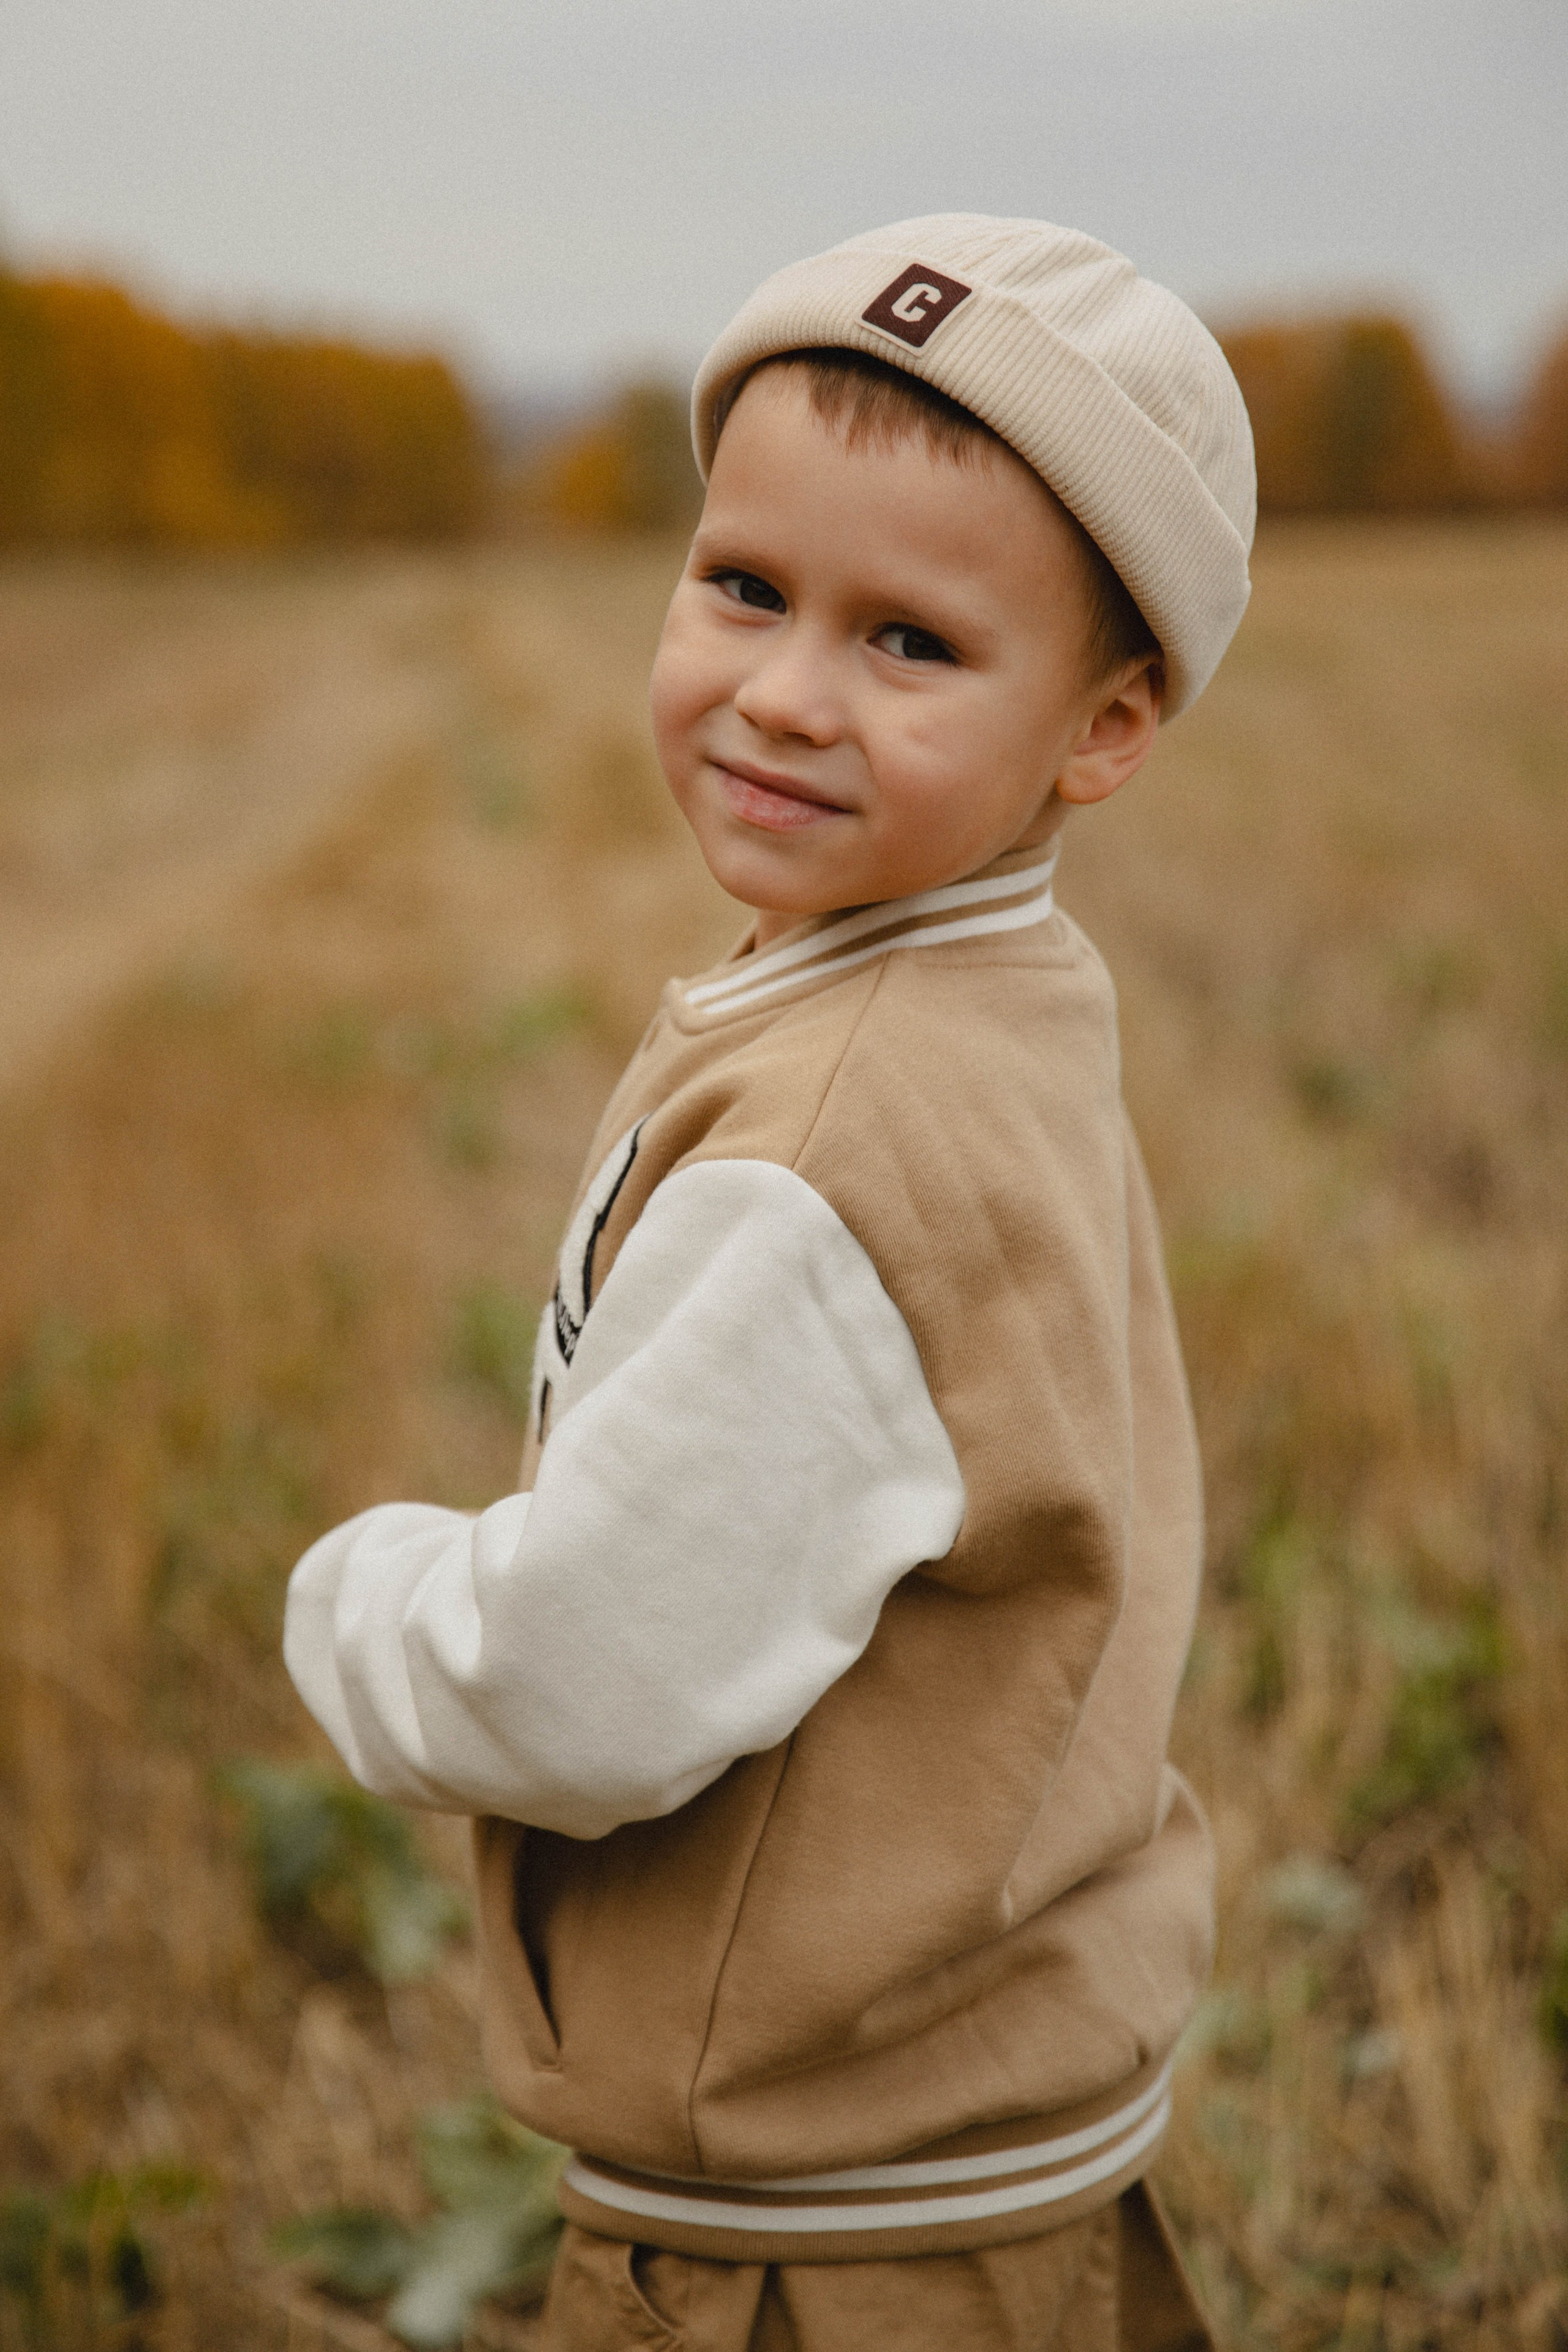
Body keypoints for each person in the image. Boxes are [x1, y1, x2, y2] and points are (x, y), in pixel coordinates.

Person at [284, 214, 1255, 2351]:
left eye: (910, 643)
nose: (786, 693)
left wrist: (356, 1604)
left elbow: (584, 1682)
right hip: (986, 2132)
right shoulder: (984, 994)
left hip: (811, 2244)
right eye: (744, 586)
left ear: (1102, 730)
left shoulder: (839, 1143)